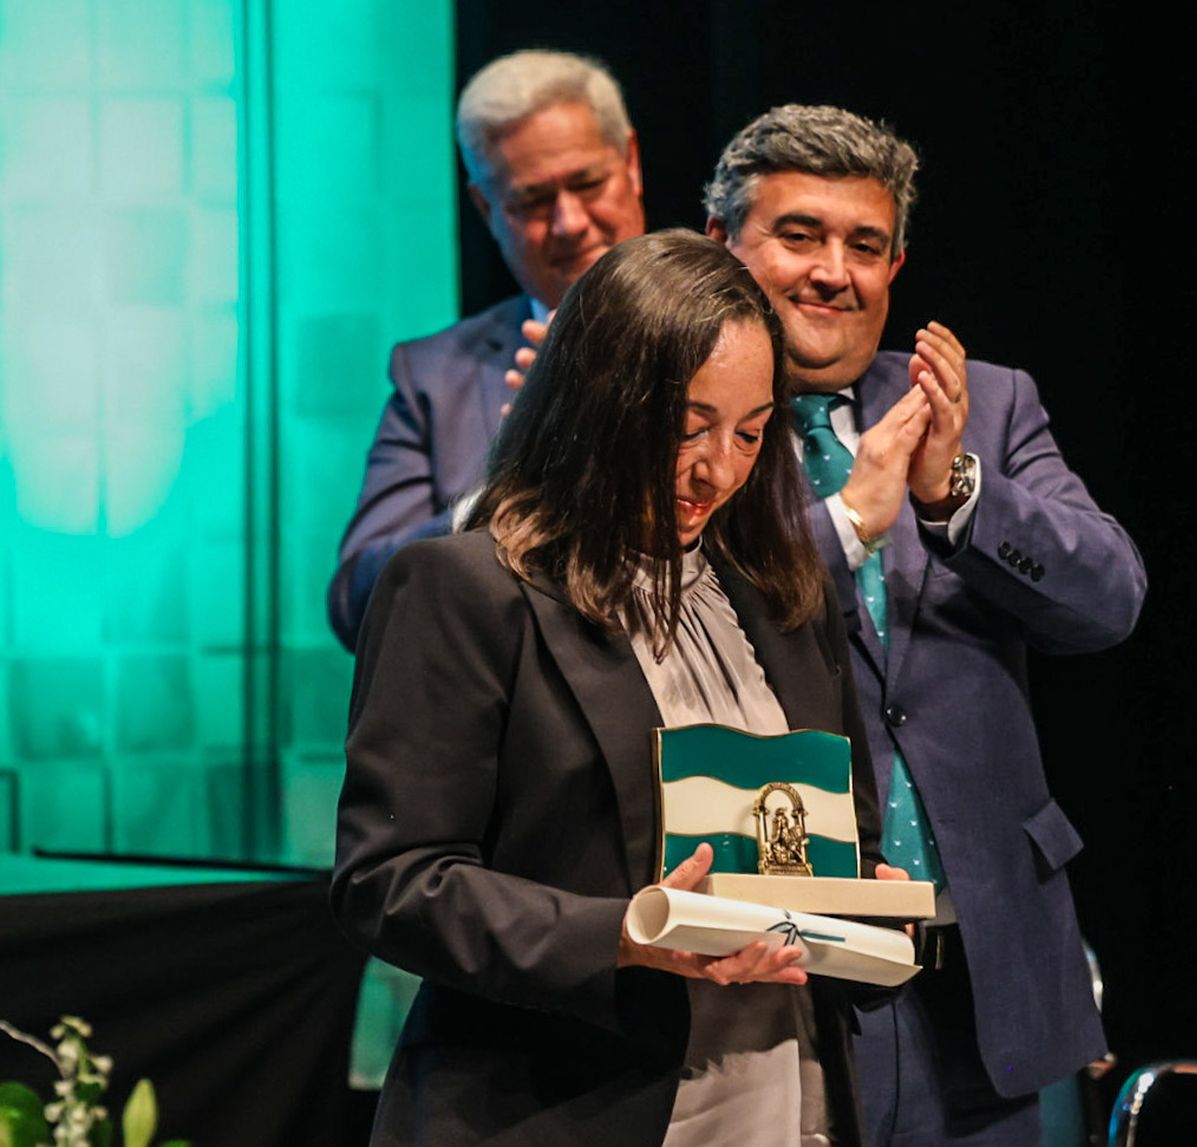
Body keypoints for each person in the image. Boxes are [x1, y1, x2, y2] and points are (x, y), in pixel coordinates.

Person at [331, 231, 899, 1144]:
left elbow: (843, 841)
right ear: (603, 404)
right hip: (561, 1107)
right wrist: (625, 931)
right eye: (686, 427)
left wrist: (864, 900)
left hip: (784, 1101)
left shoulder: (786, 600)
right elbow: (390, 881)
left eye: (750, 431)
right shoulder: (468, 589)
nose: (716, 467)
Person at [705, 105, 1147, 1146]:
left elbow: (1108, 598)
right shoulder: (685, 417)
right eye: (798, 235)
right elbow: (682, 618)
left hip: (982, 968)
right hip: (784, 966)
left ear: (896, 264)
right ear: (726, 247)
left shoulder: (981, 403)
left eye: (864, 245)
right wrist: (845, 520)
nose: (832, 273)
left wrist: (955, 495)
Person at [326, 48, 647, 650]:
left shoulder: (734, 334)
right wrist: (510, 475)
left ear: (631, 162)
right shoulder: (433, 376)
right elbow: (357, 603)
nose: (569, 223)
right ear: (485, 208)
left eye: (587, 183)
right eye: (532, 201)